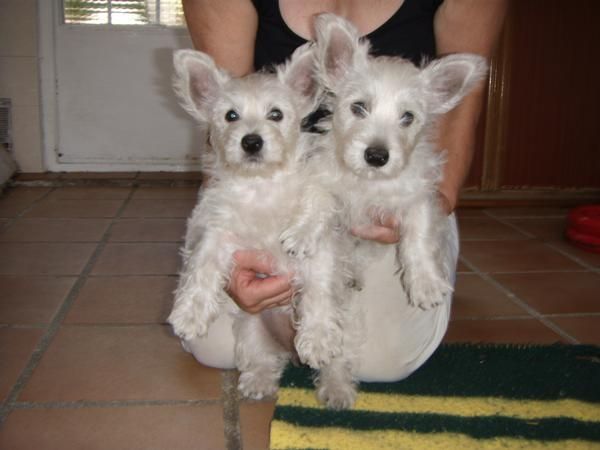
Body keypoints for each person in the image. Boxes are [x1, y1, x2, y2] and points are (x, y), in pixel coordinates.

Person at [179, 0, 507, 381]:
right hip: (280, 189)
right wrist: (231, 240)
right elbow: (226, 124)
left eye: (405, 117)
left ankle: (426, 262)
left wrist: (423, 221)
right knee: (214, 346)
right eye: (360, 108)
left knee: (378, 362)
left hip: (397, 200)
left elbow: (454, 136)